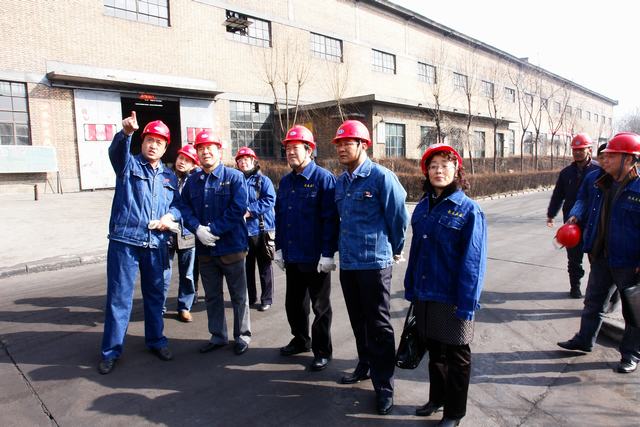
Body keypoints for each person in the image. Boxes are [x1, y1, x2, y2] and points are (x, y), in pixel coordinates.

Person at [404, 143, 487, 427]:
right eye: (433, 166)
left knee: (457, 355)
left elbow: (473, 261)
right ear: (426, 172)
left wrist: (467, 303)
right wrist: (411, 286)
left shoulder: (469, 210)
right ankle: (436, 399)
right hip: (425, 293)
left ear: (456, 170)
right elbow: (416, 251)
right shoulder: (422, 208)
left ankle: (454, 413)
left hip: (453, 297)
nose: (439, 170)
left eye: (445, 165)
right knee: (435, 352)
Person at [332, 120, 409, 416]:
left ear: (363, 145)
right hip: (349, 262)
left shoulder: (381, 177)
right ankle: (364, 364)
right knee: (358, 321)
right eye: (339, 144)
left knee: (378, 325)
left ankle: (385, 386)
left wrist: (395, 249)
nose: (341, 148)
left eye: (347, 143)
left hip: (374, 263)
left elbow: (398, 218)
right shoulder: (341, 182)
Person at [98, 112, 182, 375]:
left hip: (156, 243)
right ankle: (111, 351)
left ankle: (156, 340)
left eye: (159, 142)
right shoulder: (129, 165)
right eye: (149, 140)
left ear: (165, 148)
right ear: (142, 142)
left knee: (156, 296)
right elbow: (116, 153)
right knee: (119, 298)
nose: (153, 145)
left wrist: (170, 217)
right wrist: (125, 134)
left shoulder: (169, 177)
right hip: (125, 242)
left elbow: (178, 205)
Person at [558, 132, 640, 374]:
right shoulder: (599, 181)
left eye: (612, 156)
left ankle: (630, 354)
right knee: (593, 302)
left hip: (629, 262)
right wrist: (576, 215)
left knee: (633, 311)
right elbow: (583, 201)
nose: (605, 160)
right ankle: (584, 340)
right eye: (605, 156)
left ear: (629, 159)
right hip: (601, 255)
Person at [181, 130, 252, 356]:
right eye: (201, 148)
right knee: (212, 296)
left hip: (232, 247)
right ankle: (218, 336)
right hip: (206, 251)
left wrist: (213, 230)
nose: (205, 152)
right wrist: (197, 229)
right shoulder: (193, 181)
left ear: (219, 151)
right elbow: (184, 208)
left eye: (210, 148)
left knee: (239, 296)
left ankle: (242, 336)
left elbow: (238, 208)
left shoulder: (234, 177)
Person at [274, 125, 339, 372]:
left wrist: (328, 253)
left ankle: (322, 350)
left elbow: (330, 219)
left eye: (295, 148)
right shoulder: (286, 182)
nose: (290, 152)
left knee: (320, 307)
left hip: (315, 257)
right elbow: (280, 217)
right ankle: (301, 339)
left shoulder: (323, 179)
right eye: (287, 148)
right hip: (293, 255)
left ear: (309, 150)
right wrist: (279, 248)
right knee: (294, 304)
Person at [546, 133, 599, 298]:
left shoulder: (599, 171)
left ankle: (596, 291)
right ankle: (575, 286)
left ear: (589, 150)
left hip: (593, 222)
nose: (577, 153)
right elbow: (558, 195)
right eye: (575, 150)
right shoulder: (566, 173)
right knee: (574, 258)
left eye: (581, 149)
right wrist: (551, 214)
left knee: (596, 259)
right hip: (571, 222)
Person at [235, 146, 276, 312]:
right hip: (243, 231)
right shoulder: (235, 181)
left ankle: (267, 299)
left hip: (261, 230)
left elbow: (270, 200)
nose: (243, 162)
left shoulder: (263, 181)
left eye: (246, 159)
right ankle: (251, 297)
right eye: (240, 160)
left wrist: (250, 210)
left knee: (265, 267)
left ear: (253, 161)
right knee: (247, 267)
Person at [163, 144, 200, 322]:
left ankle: (184, 307)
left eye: (187, 160)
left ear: (193, 164)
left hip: (187, 233)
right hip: (167, 232)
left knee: (187, 274)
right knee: (163, 273)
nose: (182, 162)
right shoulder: (165, 176)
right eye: (180, 158)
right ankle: (159, 306)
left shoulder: (195, 182)